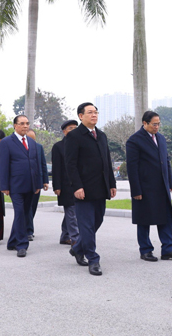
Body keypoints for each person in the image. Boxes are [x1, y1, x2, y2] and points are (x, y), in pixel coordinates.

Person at [64, 102, 117, 276]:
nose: (94, 115)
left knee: (97, 221)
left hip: (100, 188)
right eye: (90, 112)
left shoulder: (101, 135)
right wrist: (77, 186)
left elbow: (107, 161)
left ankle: (78, 247)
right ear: (81, 116)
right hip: (83, 190)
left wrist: (112, 184)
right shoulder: (74, 136)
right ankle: (93, 259)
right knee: (86, 226)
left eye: (96, 112)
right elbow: (70, 165)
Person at [126, 110, 172, 262]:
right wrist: (136, 190)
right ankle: (145, 250)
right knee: (144, 219)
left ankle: (168, 249)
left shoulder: (161, 138)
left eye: (158, 124)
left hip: (162, 186)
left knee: (166, 218)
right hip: (145, 187)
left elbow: (166, 161)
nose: (157, 127)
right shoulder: (134, 141)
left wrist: (170, 182)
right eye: (154, 124)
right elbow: (132, 168)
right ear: (144, 123)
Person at [0, 115, 42, 258]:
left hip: (31, 185)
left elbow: (36, 164)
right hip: (15, 185)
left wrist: (38, 184)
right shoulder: (6, 142)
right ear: (15, 126)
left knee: (24, 213)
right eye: (22, 123)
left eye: (27, 123)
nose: (25, 126)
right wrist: (4, 185)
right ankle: (21, 245)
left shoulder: (32, 142)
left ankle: (12, 241)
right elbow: (3, 165)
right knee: (20, 213)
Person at [52, 120, 79, 246]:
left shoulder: (81, 144)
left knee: (72, 212)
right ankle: (75, 239)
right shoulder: (58, 147)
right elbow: (56, 168)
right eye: (70, 128)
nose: (73, 130)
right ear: (64, 131)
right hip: (65, 185)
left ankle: (65, 236)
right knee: (72, 212)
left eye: (75, 127)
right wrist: (56, 186)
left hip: (79, 184)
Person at [25, 129, 50, 241]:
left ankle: (27, 226)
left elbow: (43, 164)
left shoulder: (39, 147)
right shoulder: (19, 147)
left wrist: (45, 181)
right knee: (27, 207)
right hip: (24, 182)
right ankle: (28, 230)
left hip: (37, 182)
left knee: (33, 206)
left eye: (33, 139)